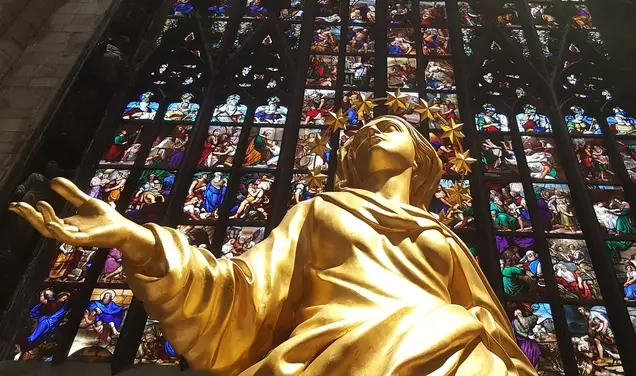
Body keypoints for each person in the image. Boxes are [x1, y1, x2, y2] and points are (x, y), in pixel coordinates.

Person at [11, 116, 534, 375]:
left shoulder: (444, 237)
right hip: (335, 357)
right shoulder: (319, 211)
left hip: (456, 354)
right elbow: (239, 292)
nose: (369, 134)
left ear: (421, 158)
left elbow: (492, 325)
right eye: (362, 134)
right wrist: (138, 238)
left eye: (387, 127)